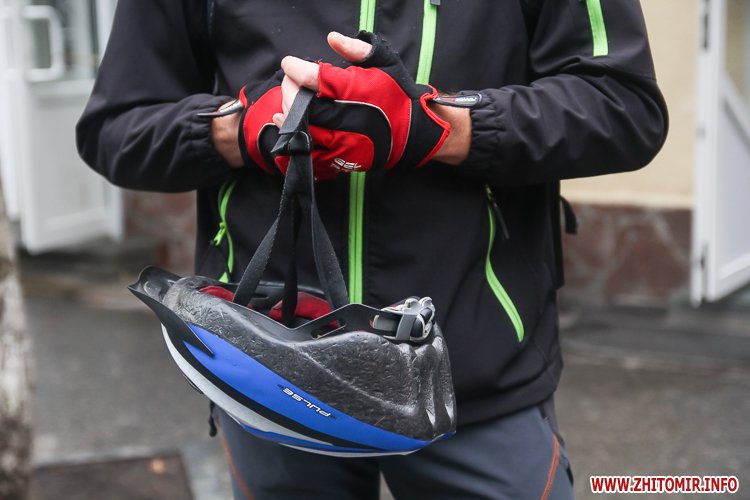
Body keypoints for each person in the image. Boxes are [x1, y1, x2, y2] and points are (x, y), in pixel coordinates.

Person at [77, 1, 668, 498]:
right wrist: (239, 130)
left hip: (475, 376)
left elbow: (623, 106)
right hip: (271, 371)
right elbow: (115, 129)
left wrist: (439, 127)